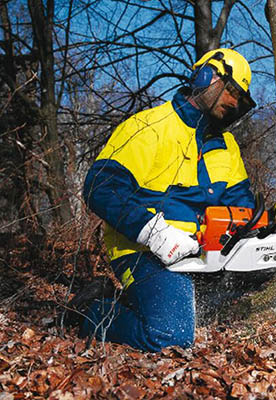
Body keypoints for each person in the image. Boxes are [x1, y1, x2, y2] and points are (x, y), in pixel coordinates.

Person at [76, 48, 257, 352]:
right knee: (170, 335)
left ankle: (137, 302)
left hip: (203, 253)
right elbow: (100, 188)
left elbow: (242, 206)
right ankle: (91, 311)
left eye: (240, 98)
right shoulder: (149, 127)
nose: (233, 102)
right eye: (231, 91)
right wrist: (155, 233)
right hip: (143, 250)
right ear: (205, 76)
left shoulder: (227, 147)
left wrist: (255, 232)